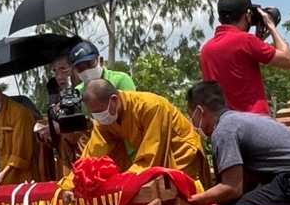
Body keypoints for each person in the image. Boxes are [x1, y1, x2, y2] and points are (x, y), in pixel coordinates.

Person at [185, 81, 290, 205]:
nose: (192, 122)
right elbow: (245, 184)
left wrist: (193, 199)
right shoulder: (244, 120)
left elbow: (232, 188)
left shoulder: (224, 130)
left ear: (200, 111)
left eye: (191, 115)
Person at [60, 79, 209, 189]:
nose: (98, 117)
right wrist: (72, 183)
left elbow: (152, 152)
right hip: (152, 157)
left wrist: (126, 179)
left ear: (114, 100)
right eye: (94, 113)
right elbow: (93, 155)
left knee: (183, 193)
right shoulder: (105, 121)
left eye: (100, 111)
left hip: (181, 153)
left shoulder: (151, 106)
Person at [200, 0, 290, 116]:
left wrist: (258, 40)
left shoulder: (206, 49)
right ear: (248, 14)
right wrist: (271, 26)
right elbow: (288, 60)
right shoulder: (246, 41)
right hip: (254, 121)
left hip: (224, 122)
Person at [69, 40, 137, 92]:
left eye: (89, 64)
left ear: (100, 61)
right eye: (80, 69)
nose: (86, 71)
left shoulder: (121, 81)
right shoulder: (78, 92)